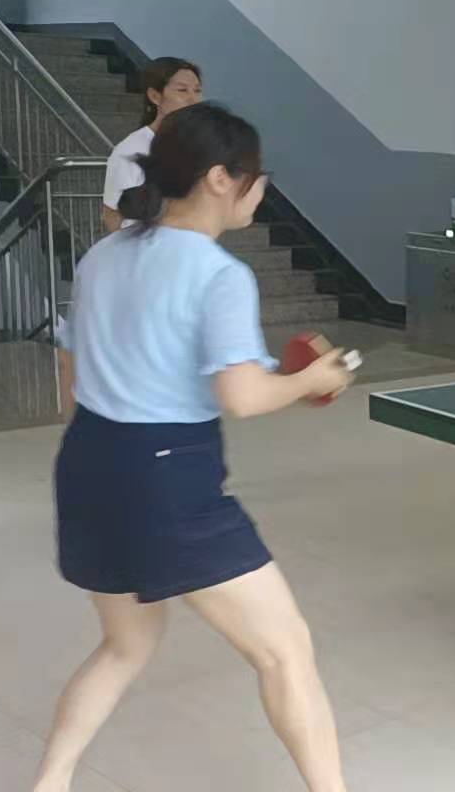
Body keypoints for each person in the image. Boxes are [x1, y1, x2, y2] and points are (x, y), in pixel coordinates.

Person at [33, 103, 353, 792]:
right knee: (285, 650)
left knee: (125, 645)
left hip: (87, 460)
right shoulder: (218, 274)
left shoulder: (103, 255)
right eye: (255, 175)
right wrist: (312, 380)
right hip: (167, 475)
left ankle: (50, 782)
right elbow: (242, 397)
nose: (261, 188)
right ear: (219, 179)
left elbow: (72, 376)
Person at [100, 57, 204, 233]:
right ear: (155, 96)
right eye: (182, 90)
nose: (193, 99)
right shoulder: (131, 150)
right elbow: (112, 215)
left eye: (197, 91)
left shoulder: (200, 145)